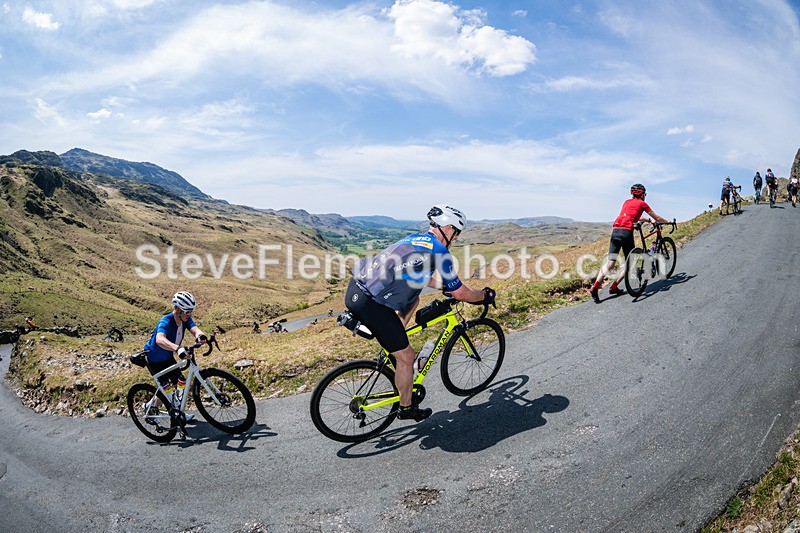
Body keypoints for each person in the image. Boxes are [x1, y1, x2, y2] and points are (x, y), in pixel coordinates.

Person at [345, 204, 496, 422]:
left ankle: (396, 343)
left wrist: (443, 286)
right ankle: (406, 408)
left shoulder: (415, 240)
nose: (456, 238)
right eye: (457, 233)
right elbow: (461, 293)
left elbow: (414, 275)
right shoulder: (439, 252)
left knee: (413, 298)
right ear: (448, 228)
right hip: (371, 303)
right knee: (407, 358)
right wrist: (483, 295)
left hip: (356, 290)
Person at [589, 184, 671, 302]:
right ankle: (614, 286)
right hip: (626, 233)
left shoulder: (626, 202)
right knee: (631, 262)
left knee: (610, 263)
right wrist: (667, 222)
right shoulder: (643, 203)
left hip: (615, 231)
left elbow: (632, 215)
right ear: (643, 194)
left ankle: (595, 286)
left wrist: (648, 220)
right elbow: (657, 217)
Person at [143, 291, 207, 419]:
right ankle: (171, 411)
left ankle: (154, 406)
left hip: (167, 357)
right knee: (167, 389)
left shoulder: (185, 319)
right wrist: (177, 348)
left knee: (181, 382)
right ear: (177, 309)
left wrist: (200, 336)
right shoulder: (165, 321)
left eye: (191, 311)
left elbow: (194, 328)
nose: (190, 314)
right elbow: (159, 339)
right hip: (154, 359)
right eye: (187, 311)